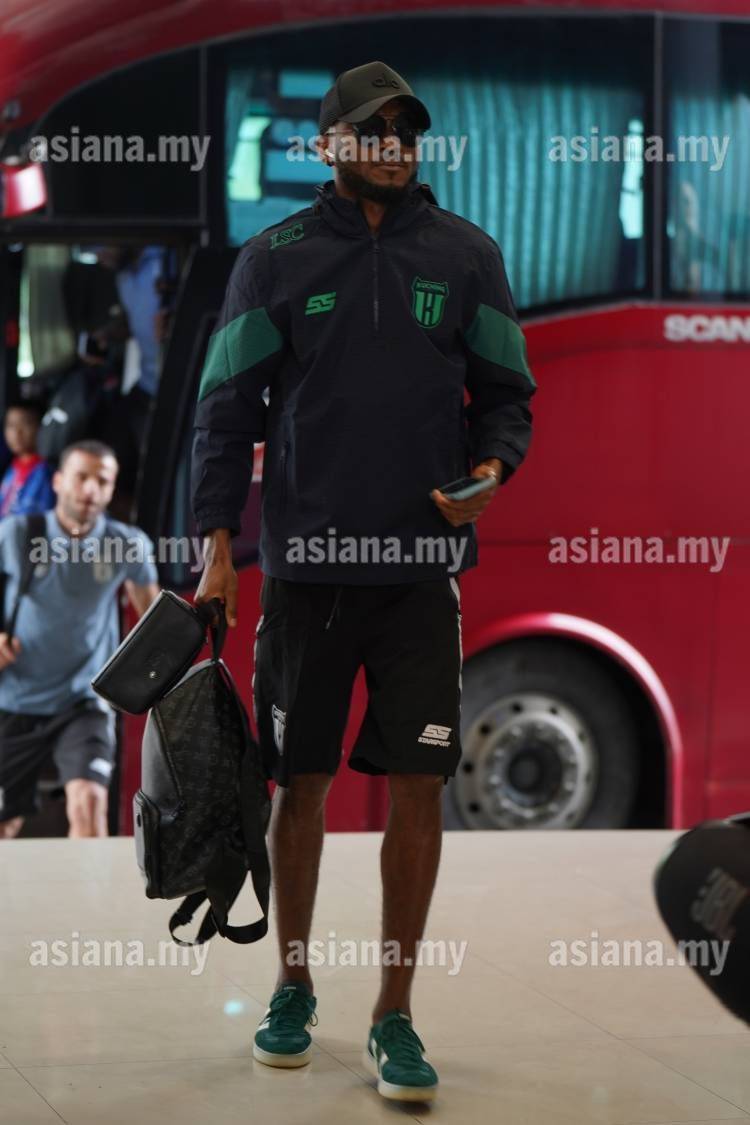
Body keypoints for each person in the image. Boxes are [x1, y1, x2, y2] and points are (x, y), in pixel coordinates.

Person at [191, 60, 536, 1102]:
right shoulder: (274, 259)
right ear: (329, 144)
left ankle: (395, 1014)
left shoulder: (467, 256)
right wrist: (216, 544)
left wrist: (492, 471)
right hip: (306, 572)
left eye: (407, 131)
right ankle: (291, 987)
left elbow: (507, 396)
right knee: (300, 783)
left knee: (420, 785)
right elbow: (225, 411)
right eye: (374, 130)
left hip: (422, 573)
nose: (394, 146)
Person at [0, 440, 159, 839]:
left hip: (84, 701)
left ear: (112, 489)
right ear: (58, 481)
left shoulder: (128, 544)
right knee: (5, 823)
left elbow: (155, 625)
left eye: (101, 481)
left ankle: (92, 885)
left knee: (89, 805)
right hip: (15, 699)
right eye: (81, 477)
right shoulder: (17, 535)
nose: (90, 489)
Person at [0, 401, 55, 518]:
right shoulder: (12, 468)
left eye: (25, 424)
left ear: (40, 427)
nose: (17, 432)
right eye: (11, 425)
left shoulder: (45, 472)